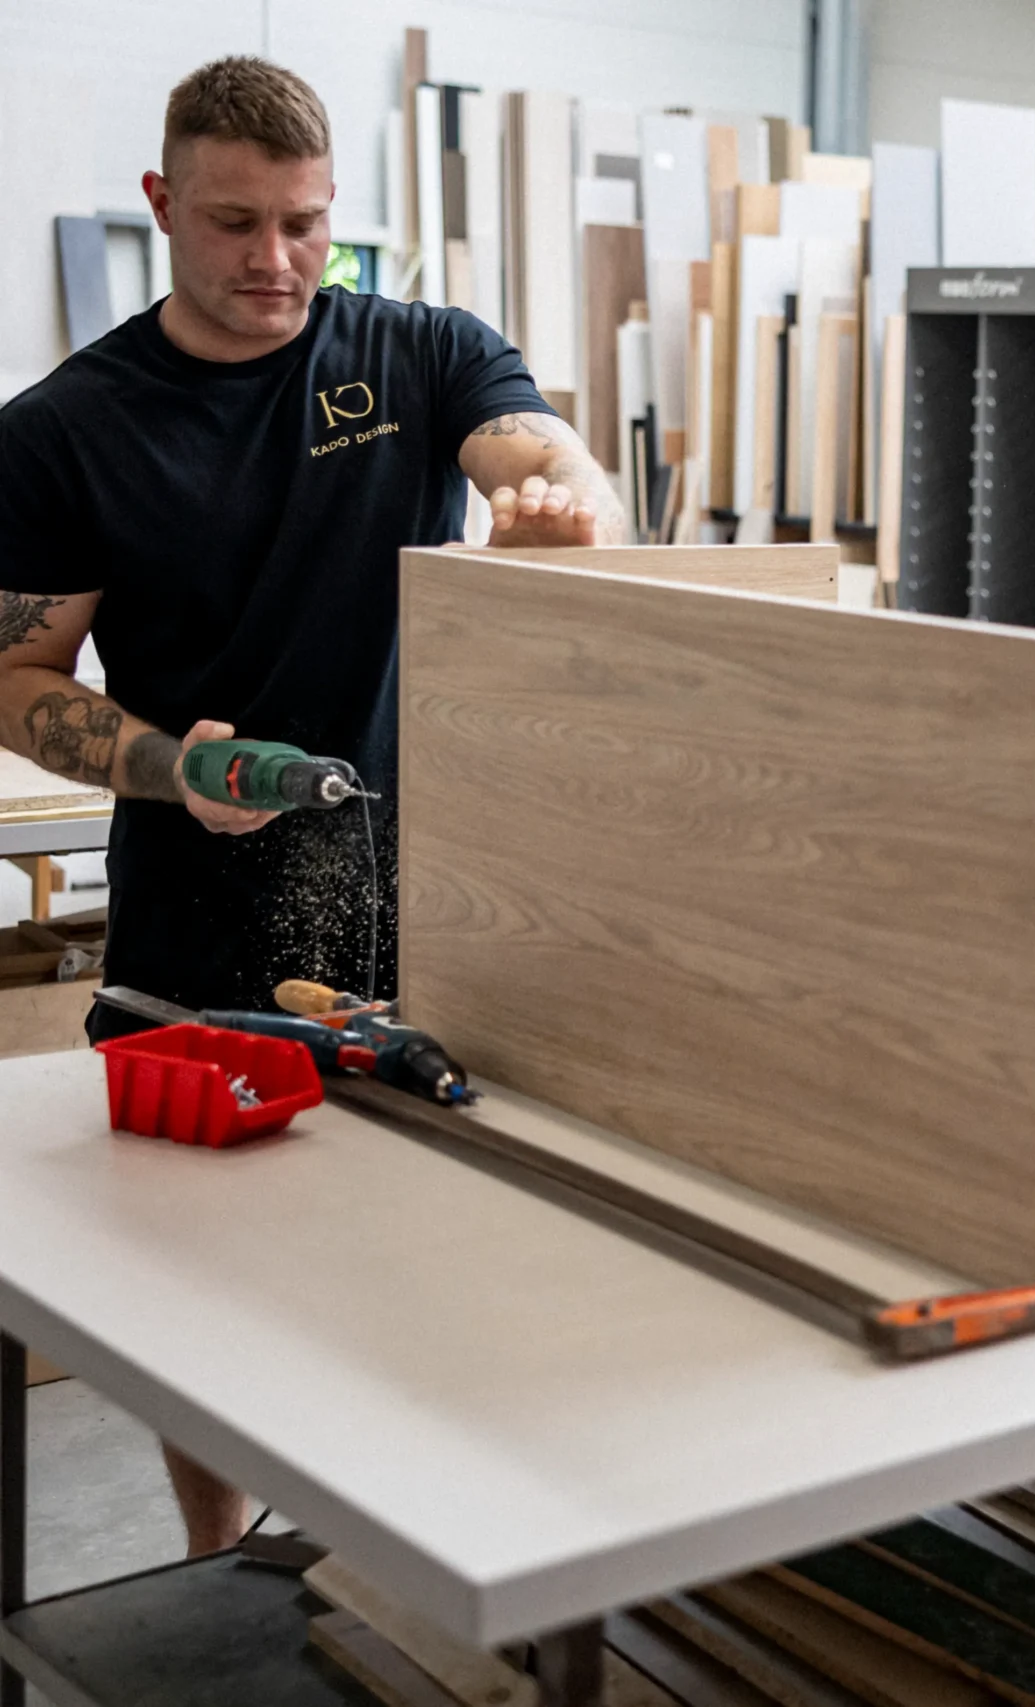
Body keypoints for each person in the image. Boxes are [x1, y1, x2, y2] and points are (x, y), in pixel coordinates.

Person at [0, 56, 625, 1556]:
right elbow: (17, 676)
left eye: (305, 223)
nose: (276, 260)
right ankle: (217, 1559)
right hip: (197, 924)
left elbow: (546, 465)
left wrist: (556, 510)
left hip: (441, 907)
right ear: (161, 205)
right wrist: (170, 765)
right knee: (198, 1295)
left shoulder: (421, 353)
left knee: (431, 1253)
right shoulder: (64, 429)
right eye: (234, 223)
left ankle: (406, 1558)